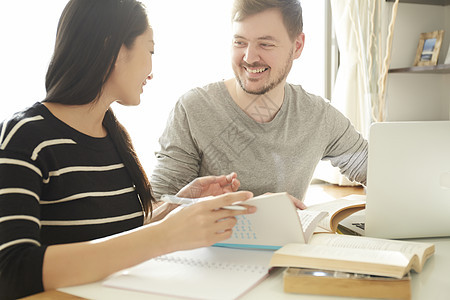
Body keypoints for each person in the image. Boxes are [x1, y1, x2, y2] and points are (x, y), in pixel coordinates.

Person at [0, 1, 256, 299]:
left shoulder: (112, 135)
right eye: (150, 51)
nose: (151, 72)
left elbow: (113, 234)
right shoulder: (24, 137)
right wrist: (164, 236)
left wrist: (179, 204)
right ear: (115, 51)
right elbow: (11, 272)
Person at [150, 0, 368, 209]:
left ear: (298, 46)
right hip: (210, 247)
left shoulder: (319, 116)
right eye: (240, 42)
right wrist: (252, 209)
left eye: (265, 44)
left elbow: (378, 171)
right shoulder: (194, 109)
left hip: (288, 247)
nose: (249, 57)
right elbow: (155, 210)